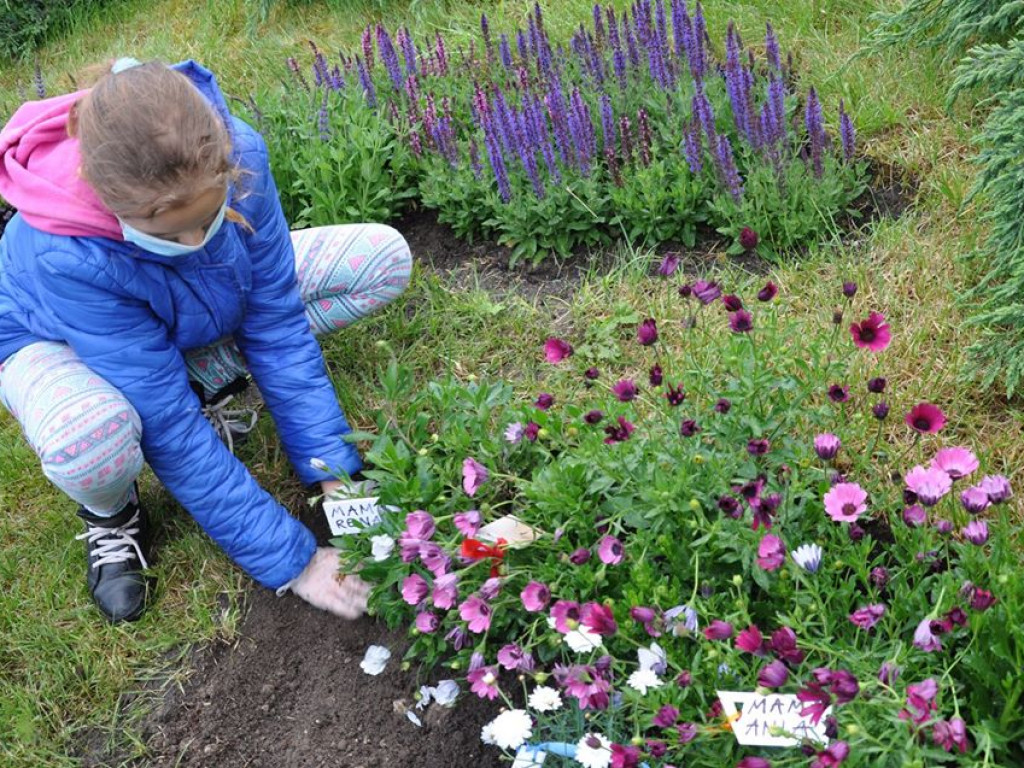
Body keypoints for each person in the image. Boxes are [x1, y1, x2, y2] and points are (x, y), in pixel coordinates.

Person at [0, 58, 412, 622]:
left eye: (210, 215)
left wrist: (334, 475)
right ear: (110, 203)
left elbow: (277, 324)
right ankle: (112, 513)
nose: (195, 241)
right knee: (91, 442)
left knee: (381, 260)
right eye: (170, 233)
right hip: (51, 339)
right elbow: (168, 426)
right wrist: (296, 562)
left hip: (185, 311)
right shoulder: (67, 252)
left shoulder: (237, 153)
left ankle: (203, 378)